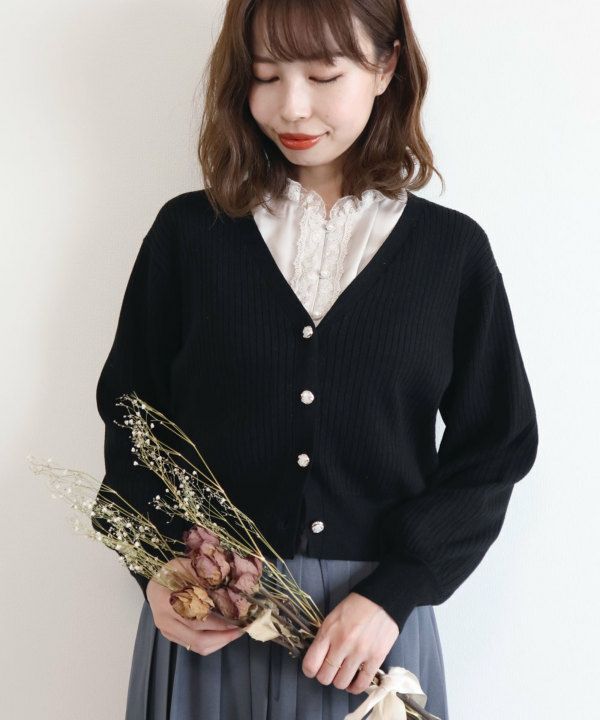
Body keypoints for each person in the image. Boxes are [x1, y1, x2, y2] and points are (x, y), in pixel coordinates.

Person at [94, 1, 538, 719]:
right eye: (265, 75)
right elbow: (132, 418)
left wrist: (394, 592)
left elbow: (497, 445)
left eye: (325, 75)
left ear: (387, 66)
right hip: (211, 618)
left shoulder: (450, 254)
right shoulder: (188, 236)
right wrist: (160, 566)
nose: (291, 106)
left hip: (369, 644)